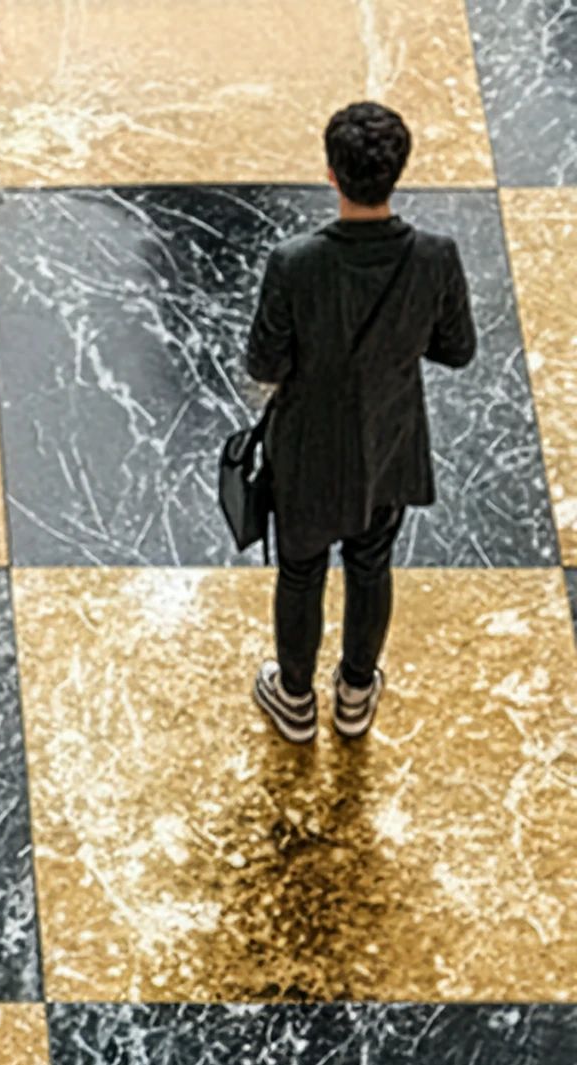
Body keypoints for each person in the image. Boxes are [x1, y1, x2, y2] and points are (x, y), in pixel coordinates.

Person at [245, 100, 478, 744]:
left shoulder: (295, 262)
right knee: (372, 564)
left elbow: (264, 361)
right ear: (396, 174)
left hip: (308, 452)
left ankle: (294, 698)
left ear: (331, 173)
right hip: (389, 443)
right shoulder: (435, 256)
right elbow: (458, 349)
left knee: (300, 570)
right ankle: (354, 693)